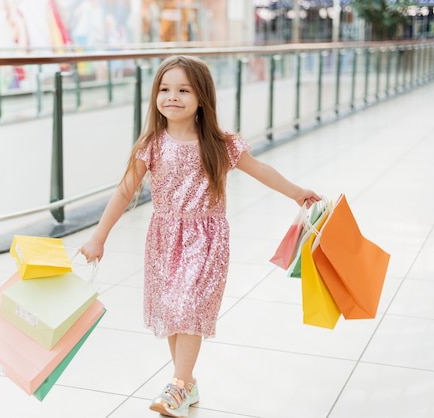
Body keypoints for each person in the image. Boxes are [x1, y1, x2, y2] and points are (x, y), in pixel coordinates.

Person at [80, 55, 320, 418]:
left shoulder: (220, 143)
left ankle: (177, 386)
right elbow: (124, 191)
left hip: (205, 237)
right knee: (172, 314)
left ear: (202, 98)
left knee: (187, 307)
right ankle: (186, 384)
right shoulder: (152, 144)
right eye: (164, 89)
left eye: (182, 90)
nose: (171, 97)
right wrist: (99, 237)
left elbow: (262, 171)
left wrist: (297, 192)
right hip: (163, 238)